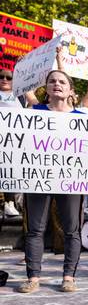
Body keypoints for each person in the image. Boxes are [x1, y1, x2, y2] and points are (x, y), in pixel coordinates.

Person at [18, 70, 88, 293]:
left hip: (72, 180)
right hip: (38, 178)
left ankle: (69, 277)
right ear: (46, 88)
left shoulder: (83, 118)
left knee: (72, 230)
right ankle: (33, 277)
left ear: (71, 90)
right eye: (52, 81)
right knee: (35, 229)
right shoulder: (33, 113)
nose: (57, 84)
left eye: (62, 82)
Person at [0, 68, 22, 217]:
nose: (5, 80)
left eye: (9, 77)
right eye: (1, 77)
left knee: (9, 171)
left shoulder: (20, 97)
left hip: (12, 142)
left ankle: (10, 203)